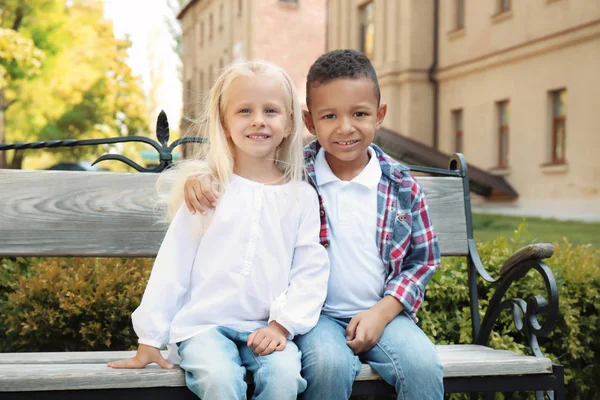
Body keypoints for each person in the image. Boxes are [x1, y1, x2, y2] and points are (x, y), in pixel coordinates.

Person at [183, 49, 444, 399]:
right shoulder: (293, 175)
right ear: (309, 122)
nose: (345, 127)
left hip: (385, 312)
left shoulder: (400, 184)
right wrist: (201, 176)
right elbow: (242, 168)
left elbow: (423, 259)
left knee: (423, 366)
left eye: (360, 114)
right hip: (315, 316)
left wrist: (384, 311)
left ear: (379, 115)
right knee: (326, 365)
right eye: (330, 116)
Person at [108, 61, 330, 400]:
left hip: (267, 328)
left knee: (284, 377)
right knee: (218, 379)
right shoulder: (208, 190)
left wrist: (282, 325)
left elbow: (310, 271)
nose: (258, 120)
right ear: (225, 124)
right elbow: (174, 263)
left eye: (271, 110)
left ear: (288, 124)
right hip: (204, 327)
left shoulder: (301, 197)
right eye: (244, 111)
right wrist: (150, 338)